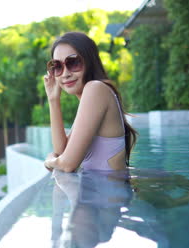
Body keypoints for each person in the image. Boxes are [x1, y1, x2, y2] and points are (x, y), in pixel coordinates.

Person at [43, 32, 138, 172]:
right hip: (108, 192)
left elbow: (67, 164)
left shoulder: (95, 89)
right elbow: (62, 152)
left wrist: (49, 161)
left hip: (111, 193)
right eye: (57, 66)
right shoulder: (91, 97)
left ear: (89, 62)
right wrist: (53, 99)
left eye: (73, 62)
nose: (65, 73)